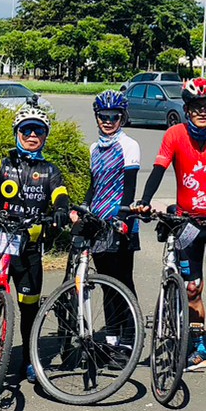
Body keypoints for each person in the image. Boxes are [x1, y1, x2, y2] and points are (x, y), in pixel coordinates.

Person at [138, 76, 206, 381]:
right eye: (196, 106)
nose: (202, 112)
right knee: (193, 288)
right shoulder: (174, 134)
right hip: (187, 223)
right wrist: (144, 201)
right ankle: (199, 347)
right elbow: (159, 169)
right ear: (187, 107)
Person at [0, 105, 69, 375]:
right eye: (27, 129)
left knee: (29, 308)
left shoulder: (50, 170)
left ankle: (28, 358)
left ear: (45, 136)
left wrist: (60, 209)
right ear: (17, 133)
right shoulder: (3, 164)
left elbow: (60, 193)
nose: (32, 134)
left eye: (39, 130)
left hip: (29, 248)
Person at [87, 90, 142, 294]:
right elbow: (94, 185)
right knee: (106, 283)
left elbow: (130, 187)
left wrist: (122, 216)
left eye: (114, 117)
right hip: (99, 222)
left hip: (121, 220)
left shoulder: (129, 145)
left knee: (123, 282)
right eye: (103, 116)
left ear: (122, 118)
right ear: (97, 117)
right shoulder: (94, 148)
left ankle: (130, 327)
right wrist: (84, 207)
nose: (108, 121)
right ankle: (112, 327)